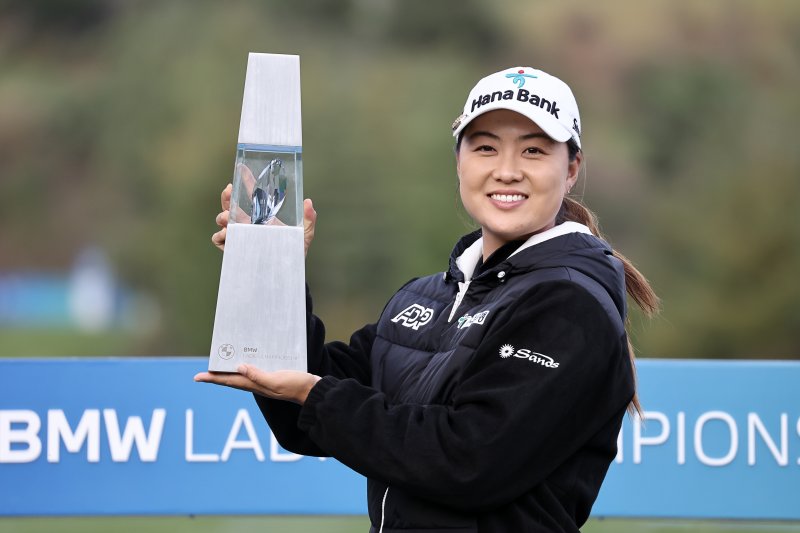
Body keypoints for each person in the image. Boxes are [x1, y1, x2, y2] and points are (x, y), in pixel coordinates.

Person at [196, 66, 659, 533]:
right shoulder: (426, 296)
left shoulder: (568, 305)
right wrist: (272, 269)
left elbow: (468, 460)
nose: (507, 170)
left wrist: (316, 396)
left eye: (534, 151)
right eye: (485, 147)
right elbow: (306, 415)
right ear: (459, 161)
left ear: (571, 168)